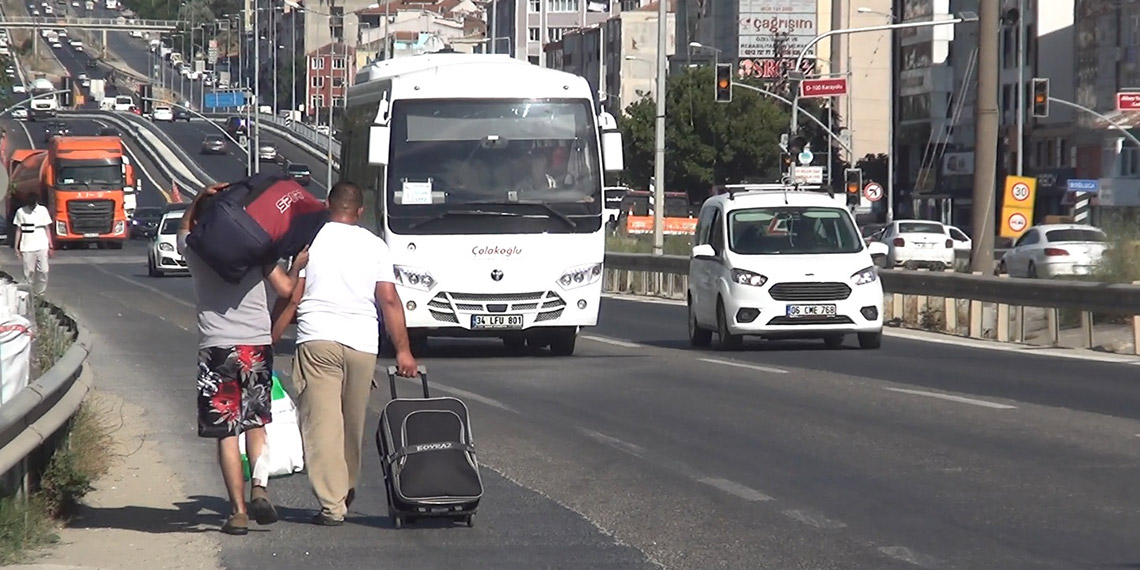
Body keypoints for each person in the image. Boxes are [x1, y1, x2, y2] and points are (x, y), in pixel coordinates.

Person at [271, 180, 417, 527]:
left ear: (327, 205)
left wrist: (270, 338)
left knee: (322, 425)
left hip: (317, 339)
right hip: (362, 344)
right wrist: (404, 351)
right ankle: (344, 488)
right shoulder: (376, 246)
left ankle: (332, 503)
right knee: (352, 425)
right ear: (360, 211)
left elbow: (293, 295)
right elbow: (389, 300)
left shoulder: (311, 241)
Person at [178, 183, 307, 536]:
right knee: (256, 424)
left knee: (226, 433)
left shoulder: (196, 252)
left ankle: (236, 512)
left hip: (217, 348)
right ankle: (260, 487)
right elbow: (285, 290)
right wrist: (297, 266)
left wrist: (199, 197)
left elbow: (184, 229)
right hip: (256, 346)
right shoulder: (255, 251)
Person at [13, 195, 53, 295]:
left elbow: (47, 228)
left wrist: (51, 244)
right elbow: (19, 230)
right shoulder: (21, 212)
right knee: (28, 271)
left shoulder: (42, 210)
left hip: (42, 244)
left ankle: (40, 292)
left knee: (44, 270)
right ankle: (29, 293)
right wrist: (16, 247)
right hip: (27, 245)